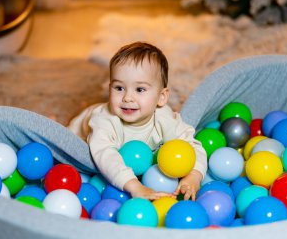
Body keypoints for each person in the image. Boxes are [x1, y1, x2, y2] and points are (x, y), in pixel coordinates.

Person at [68, 42, 207, 200]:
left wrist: (194, 176)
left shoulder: (164, 118)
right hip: (79, 134)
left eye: (140, 89)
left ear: (161, 98)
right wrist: (135, 186)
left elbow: (192, 146)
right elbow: (105, 156)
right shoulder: (104, 121)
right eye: (119, 88)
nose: (127, 98)